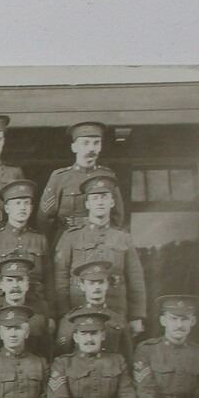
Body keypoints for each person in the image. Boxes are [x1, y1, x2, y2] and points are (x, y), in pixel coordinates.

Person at [53, 174, 145, 330]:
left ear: (112, 202)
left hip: (116, 310)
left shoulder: (123, 237)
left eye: (104, 197)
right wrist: (64, 313)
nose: (100, 202)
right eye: (95, 198)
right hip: (78, 311)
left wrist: (136, 316)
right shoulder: (71, 237)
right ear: (87, 204)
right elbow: (60, 278)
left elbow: (135, 279)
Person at [40, 120, 126, 233]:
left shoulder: (107, 176)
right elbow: (45, 219)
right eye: (85, 143)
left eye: (96, 143)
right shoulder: (59, 178)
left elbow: (117, 216)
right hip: (67, 238)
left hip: (100, 238)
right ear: (74, 147)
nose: (91, 148)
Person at [0, 179, 51, 313]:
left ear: (31, 208)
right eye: (17, 203)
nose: (22, 207)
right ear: (7, 208)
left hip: (35, 304)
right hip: (0, 305)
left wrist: (51, 315)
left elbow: (49, 280)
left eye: (26, 203)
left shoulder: (40, 239)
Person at [0, 256, 55, 358]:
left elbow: (46, 355)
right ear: (1, 285)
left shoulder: (39, 320)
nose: (15, 286)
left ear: (27, 284)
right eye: (9, 280)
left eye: (20, 280)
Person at [54, 260, 134, 358]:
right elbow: (62, 356)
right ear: (82, 286)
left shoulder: (118, 319)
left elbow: (127, 356)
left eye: (101, 282)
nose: (97, 287)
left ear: (107, 285)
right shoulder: (70, 319)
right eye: (91, 283)